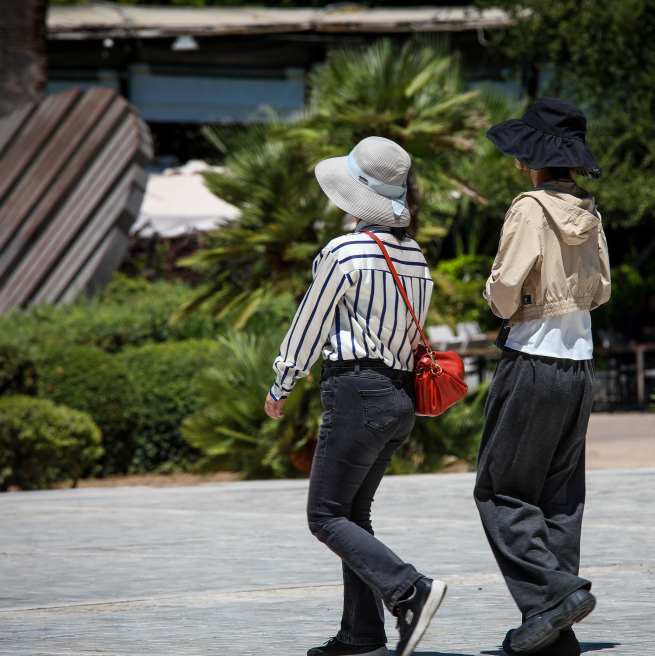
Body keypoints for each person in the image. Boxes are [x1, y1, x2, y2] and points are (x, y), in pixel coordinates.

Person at [264, 136, 446, 656]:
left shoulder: (344, 251)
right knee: (353, 515)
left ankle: (409, 590)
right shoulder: (417, 258)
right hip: (399, 399)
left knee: (324, 516)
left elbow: (310, 323)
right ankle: (361, 636)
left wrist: (282, 382)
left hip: (356, 393)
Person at [474, 97, 612, 656]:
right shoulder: (588, 209)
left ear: (529, 156)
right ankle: (555, 633)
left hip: (532, 360)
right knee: (560, 498)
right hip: (579, 364)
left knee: (500, 490)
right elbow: (602, 291)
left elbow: (506, 290)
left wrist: (494, 298)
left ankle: (555, 596)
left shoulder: (529, 208)